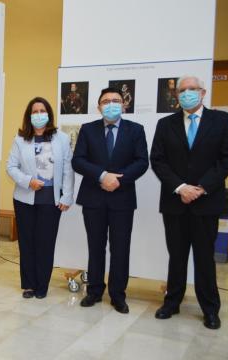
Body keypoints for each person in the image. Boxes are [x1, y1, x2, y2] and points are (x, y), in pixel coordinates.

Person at [150, 75, 228, 330]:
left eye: (191, 89)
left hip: (206, 201)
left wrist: (201, 188)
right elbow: (158, 160)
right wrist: (180, 187)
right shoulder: (165, 124)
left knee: (204, 257)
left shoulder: (222, 121)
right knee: (176, 255)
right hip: (175, 201)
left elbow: (227, 159)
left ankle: (210, 308)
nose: (186, 93)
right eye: (182, 90)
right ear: (177, 96)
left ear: (203, 92)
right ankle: (172, 302)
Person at [72, 87, 148, 313]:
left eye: (116, 100)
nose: (111, 104)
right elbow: (78, 160)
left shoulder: (136, 130)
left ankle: (118, 295)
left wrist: (118, 180)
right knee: (95, 247)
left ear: (124, 105)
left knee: (120, 248)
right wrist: (102, 176)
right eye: (106, 101)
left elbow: (142, 161)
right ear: (99, 106)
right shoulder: (88, 130)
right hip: (93, 198)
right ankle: (94, 291)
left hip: (122, 198)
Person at [6, 97, 74, 299]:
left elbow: (68, 169)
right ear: (29, 116)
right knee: (27, 242)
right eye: (34, 112)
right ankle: (28, 285)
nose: (38, 115)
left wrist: (67, 196)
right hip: (25, 197)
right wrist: (28, 181)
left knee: (45, 243)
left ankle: (42, 285)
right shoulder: (20, 139)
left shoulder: (61, 138)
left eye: (41, 111)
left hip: (51, 199)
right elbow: (11, 167)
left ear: (49, 114)